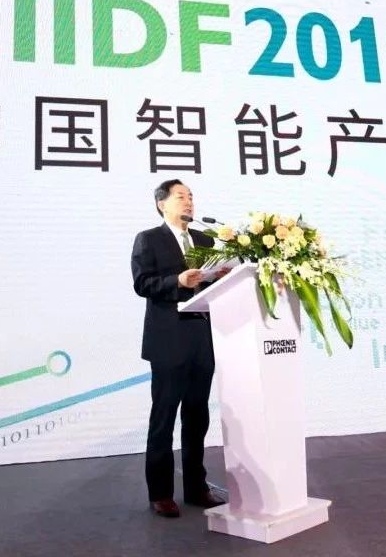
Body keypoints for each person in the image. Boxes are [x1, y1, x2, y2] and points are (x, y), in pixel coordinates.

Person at [130, 179, 227, 518]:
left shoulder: (205, 240)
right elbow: (142, 283)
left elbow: (215, 283)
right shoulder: (149, 239)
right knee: (165, 416)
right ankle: (160, 493)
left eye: (191, 197)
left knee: (197, 417)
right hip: (168, 340)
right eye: (180, 197)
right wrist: (178, 281)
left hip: (202, 337)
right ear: (162, 204)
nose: (188, 202)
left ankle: (197, 488)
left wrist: (223, 275)